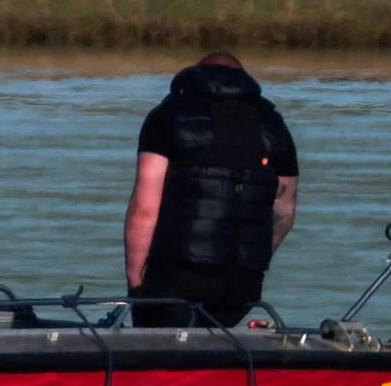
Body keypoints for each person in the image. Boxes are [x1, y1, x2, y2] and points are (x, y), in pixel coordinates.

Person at [125, 51, 297, 327]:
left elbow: (145, 208)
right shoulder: (274, 125)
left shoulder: (169, 115)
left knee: (163, 344)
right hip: (243, 285)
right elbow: (285, 213)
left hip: (177, 277)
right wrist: (249, 262)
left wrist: (135, 284)